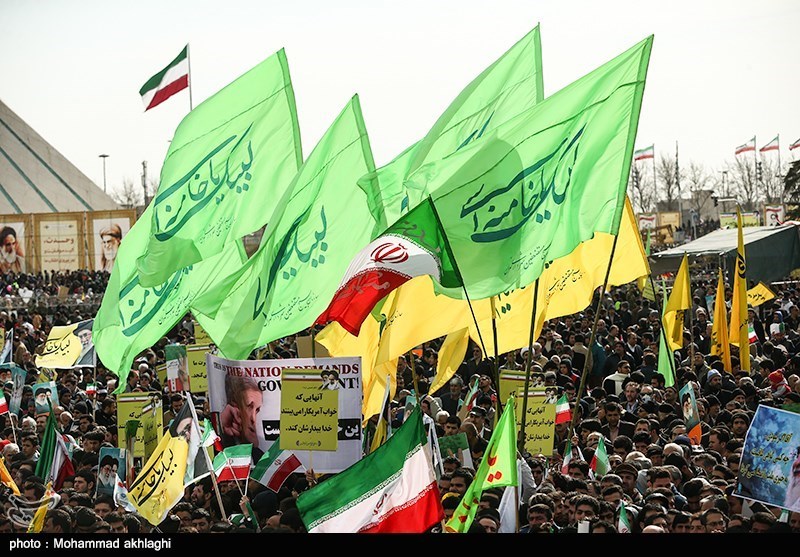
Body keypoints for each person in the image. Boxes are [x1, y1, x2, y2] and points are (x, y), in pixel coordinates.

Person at [220, 375, 263, 458]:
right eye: (249, 407)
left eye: (257, 410)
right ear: (235, 406)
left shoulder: (260, 456)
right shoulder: (221, 449)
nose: (253, 419)